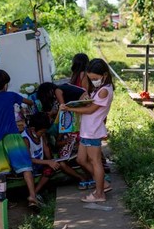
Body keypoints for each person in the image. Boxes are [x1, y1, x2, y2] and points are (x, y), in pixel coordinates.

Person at [0, 69, 39, 208]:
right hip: (13, 137)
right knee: (25, 167)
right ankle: (32, 196)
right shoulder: (11, 96)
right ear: (6, 84)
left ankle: (3, 201)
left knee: (3, 171)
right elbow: (29, 103)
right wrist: (33, 105)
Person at [60, 59, 114, 203]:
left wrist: (70, 108)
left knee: (95, 162)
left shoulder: (104, 91)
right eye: (91, 79)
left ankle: (99, 194)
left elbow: (90, 110)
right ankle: (103, 184)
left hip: (92, 131)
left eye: (95, 78)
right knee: (81, 159)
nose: (93, 81)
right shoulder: (101, 87)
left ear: (104, 74)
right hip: (87, 130)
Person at [22, 112, 89, 196]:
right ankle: (34, 194)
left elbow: (45, 148)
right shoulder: (25, 139)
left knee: (55, 166)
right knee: (49, 170)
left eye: (44, 132)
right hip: (31, 166)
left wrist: (52, 160)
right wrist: (48, 162)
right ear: (32, 129)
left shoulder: (40, 134)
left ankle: (35, 192)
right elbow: (29, 160)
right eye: (42, 132)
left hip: (40, 163)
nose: (43, 134)